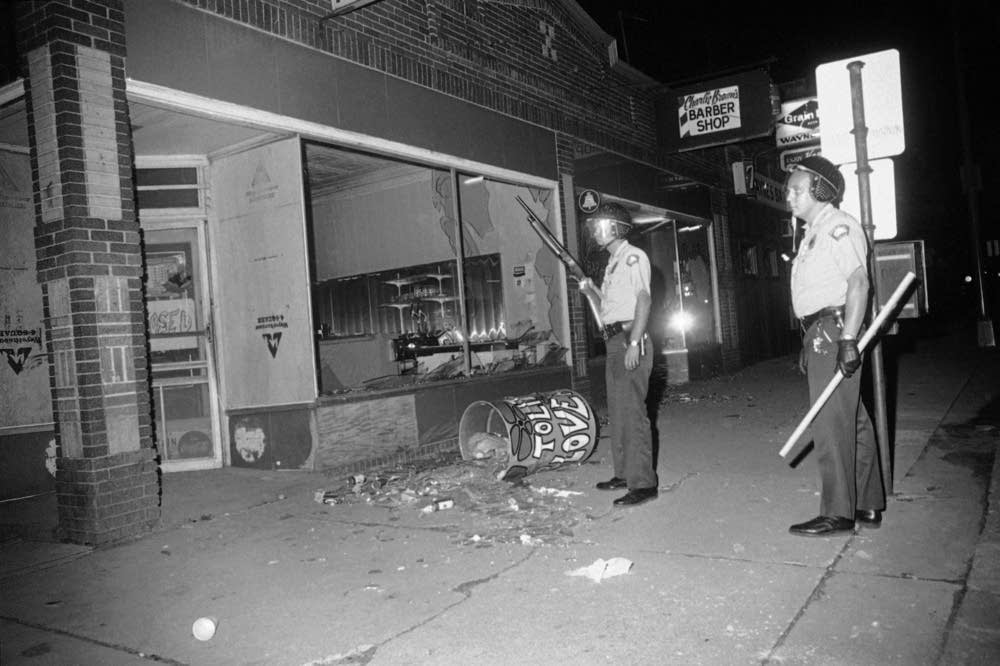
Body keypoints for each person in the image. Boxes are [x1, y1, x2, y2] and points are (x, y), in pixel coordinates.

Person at [785, 155, 885, 536]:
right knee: (852, 421)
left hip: (835, 330)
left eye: (796, 190)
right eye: (789, 190)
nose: (789, 197)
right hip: (822, 332)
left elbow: (858, 283)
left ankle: (838, 513)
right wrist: (809, 338)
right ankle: (867, 504)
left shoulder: (839, 226)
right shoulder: (814, 231)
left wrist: (846, 340)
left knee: (828, 424)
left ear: (820, 191)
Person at [578, 201, 658, 506]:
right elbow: (608, 311)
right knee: (619, 412)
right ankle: (624, 473)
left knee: (633, 413)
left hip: (629, 338)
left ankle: (643, 483)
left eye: (601, 226)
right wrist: (591, 292)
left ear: (617, 228)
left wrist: (635, 343)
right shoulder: (612, 264)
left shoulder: (633, 257)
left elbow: (644, 301)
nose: (596, 233)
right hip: (614, 339)